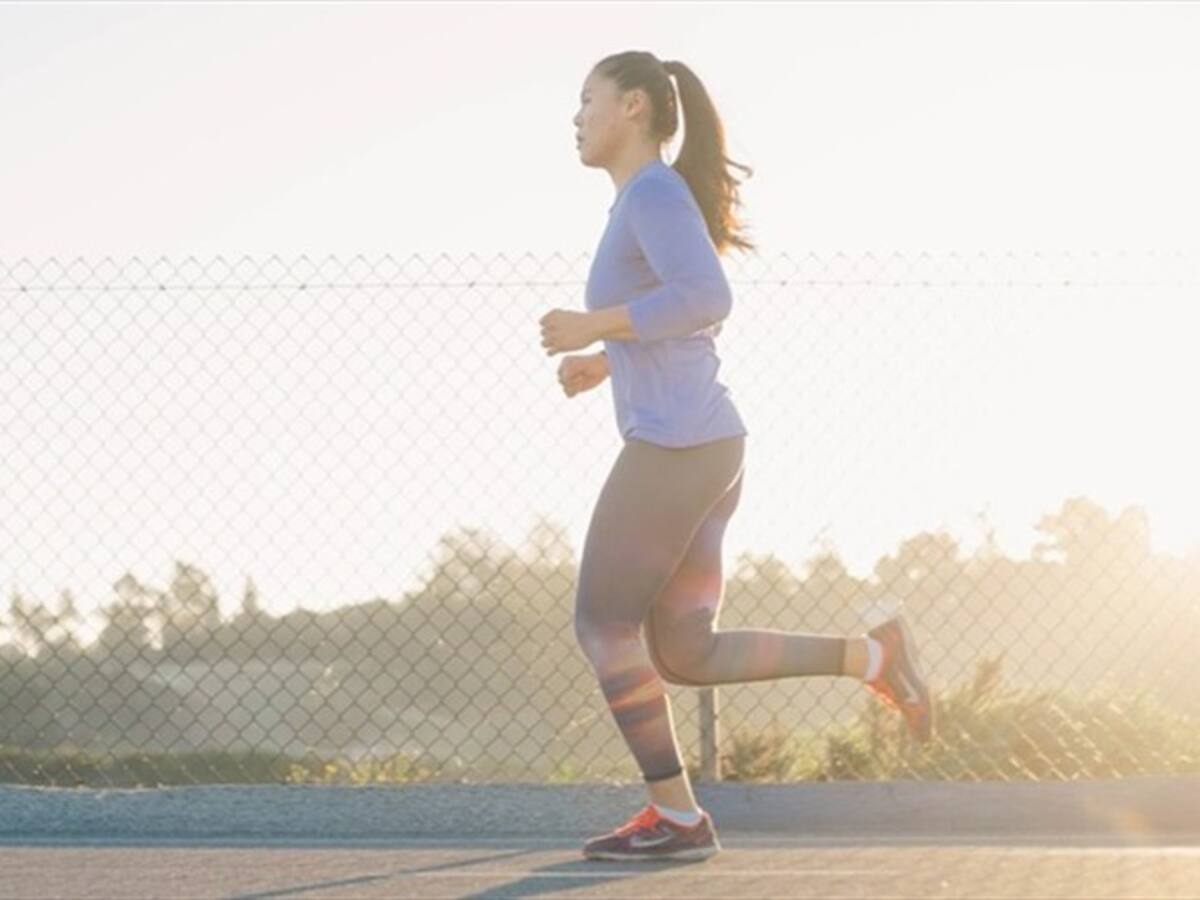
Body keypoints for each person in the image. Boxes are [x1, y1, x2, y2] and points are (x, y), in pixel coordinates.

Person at [538, 50, 934, 863]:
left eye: (588, 100)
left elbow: (708, 298)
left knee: (603, 622)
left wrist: (596, 325)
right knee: (684, 650)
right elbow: (684, 316)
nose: (575, 117)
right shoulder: (641, 201)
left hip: (680, 447)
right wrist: (606, 361)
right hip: (707, 445)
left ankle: (678, 819)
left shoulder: (651, 192)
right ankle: (876, 656)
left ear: (637, 108)